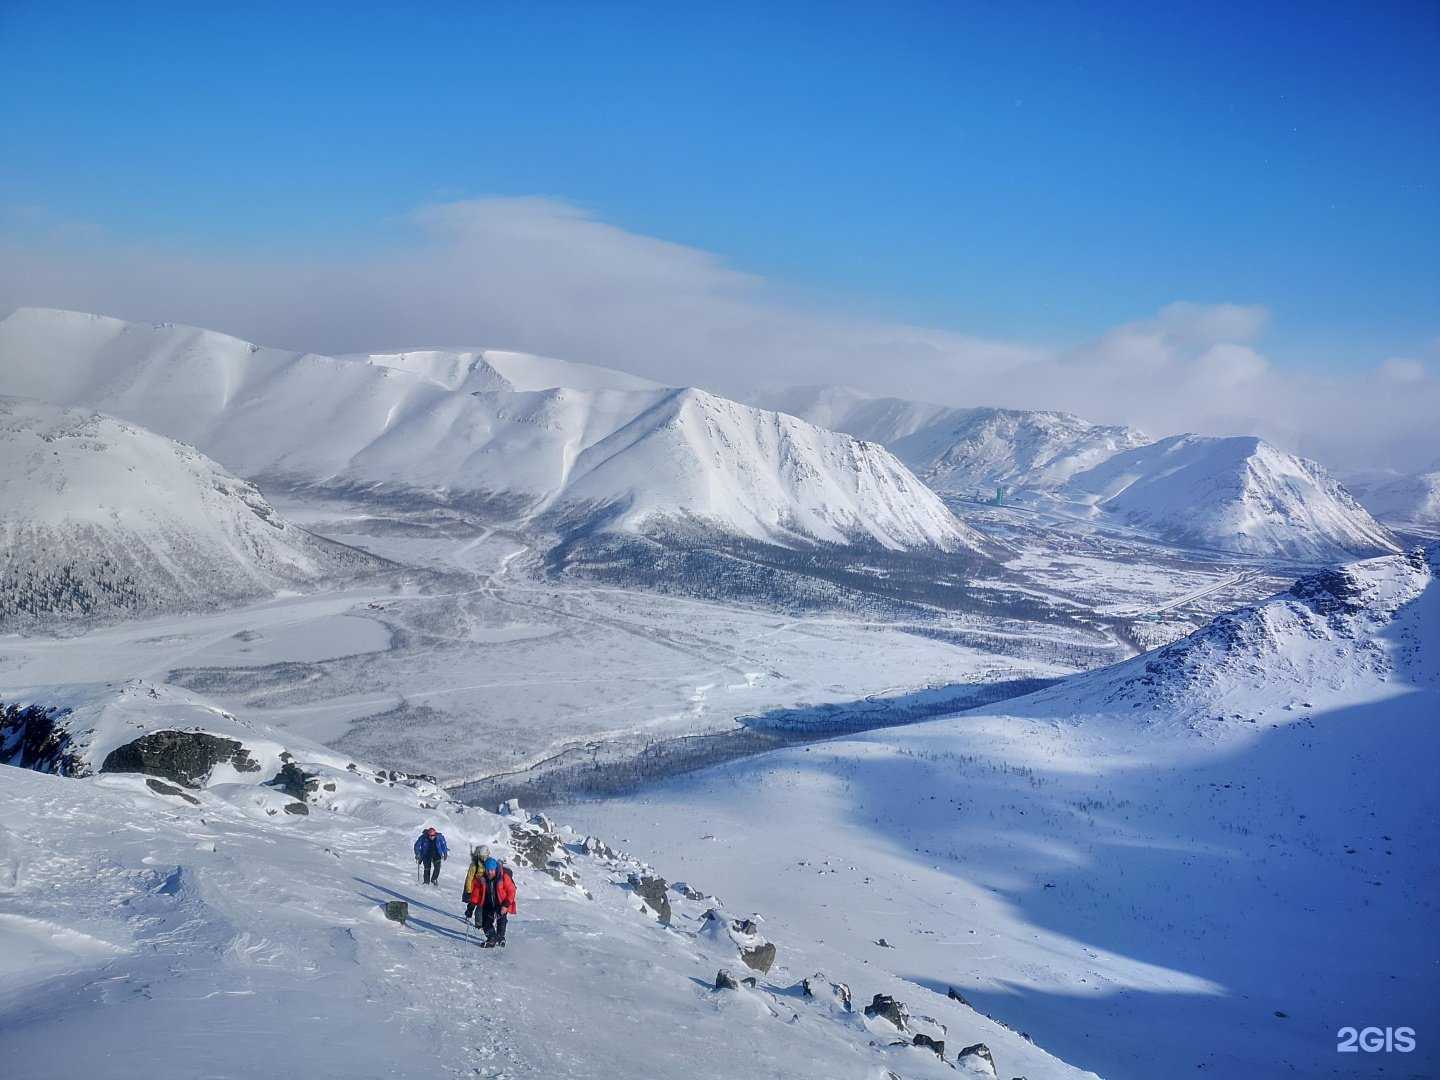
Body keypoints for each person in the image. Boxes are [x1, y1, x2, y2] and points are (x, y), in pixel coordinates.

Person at [468, 857, 517, 947]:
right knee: (485, 923)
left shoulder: (503, 877)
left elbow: (511, 891)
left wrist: (506, 905)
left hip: (501, 903)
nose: (490, 872)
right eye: (488, 870)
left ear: (495, 869)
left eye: (492, 870)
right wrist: (470, 908)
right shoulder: (481, 879)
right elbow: (475, 894)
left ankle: (501, 937)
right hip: (488, 904)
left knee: (501, 920)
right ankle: (492, 939)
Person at [461, 845, 491, 919]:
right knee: (473, 903)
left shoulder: (489, 863)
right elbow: (469, 877)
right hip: (475, 887)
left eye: (485, 856)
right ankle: (468, 913)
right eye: (482, 856)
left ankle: (479, 923)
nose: (483, 858)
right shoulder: (475, 865)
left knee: (481, 905)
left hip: (484, 888)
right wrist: (468, 891)